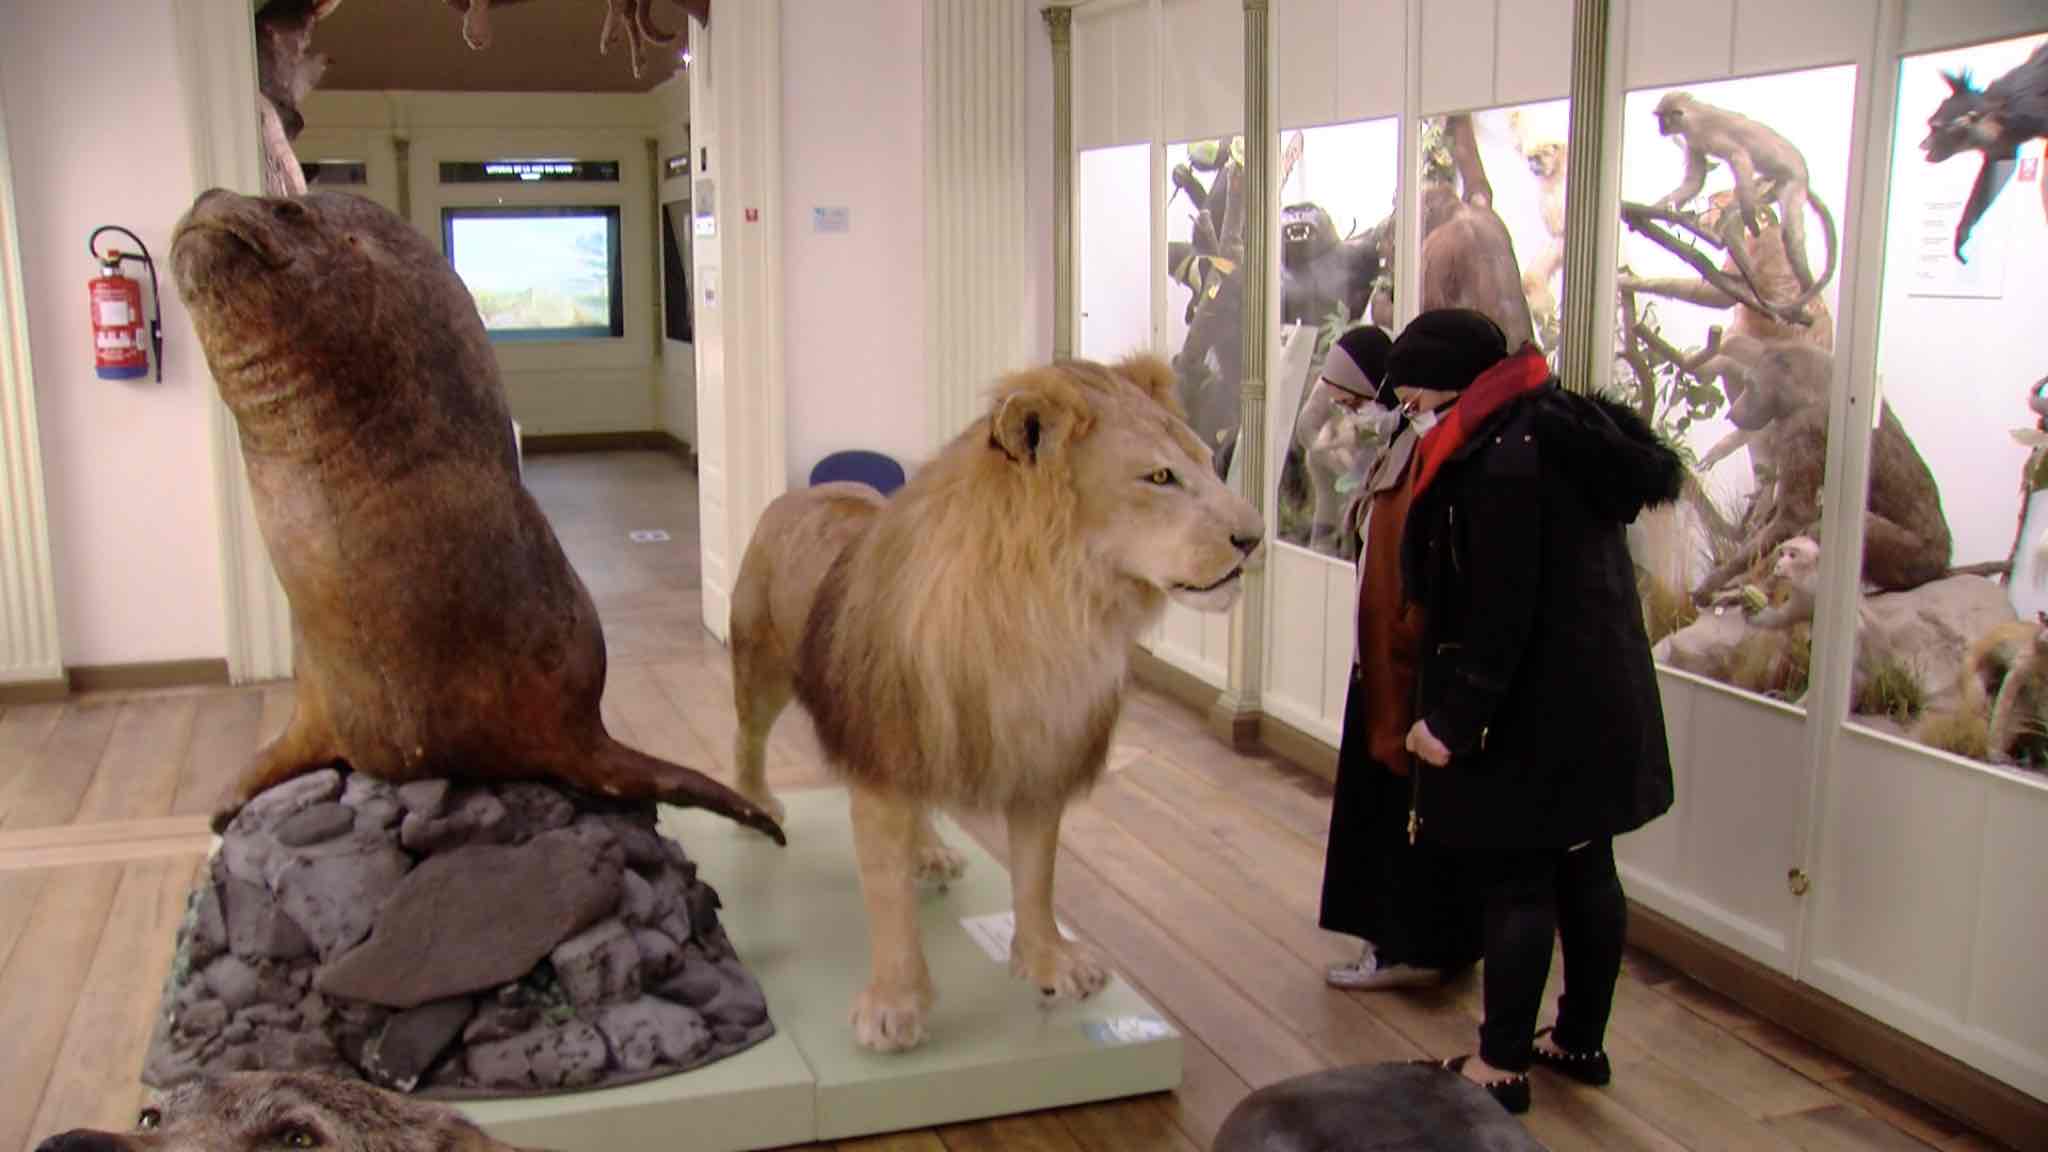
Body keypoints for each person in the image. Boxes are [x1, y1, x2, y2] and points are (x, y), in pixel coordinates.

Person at [1394, 308, 1680, 1114]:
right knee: (1587, 860)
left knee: (1519, 875)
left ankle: (1501, 1064)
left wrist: (1451, 721)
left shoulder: (1501, 460)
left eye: (1415, 394)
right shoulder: (1553, 426)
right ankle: (1580, 1040)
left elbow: (1502, 610)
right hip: (1600, 698)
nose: (1410, 408)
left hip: (1537, 710)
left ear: (1450, 383)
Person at [1317, 323, 1485, 990]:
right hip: (1386, 660)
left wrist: (1402, 656)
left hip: (1406, 664)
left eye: (1352, 400)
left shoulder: (1429, 454)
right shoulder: (1402, 447)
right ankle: (1412, 942)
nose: (1347, 414)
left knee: (1402, 815)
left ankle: (1405, 945)